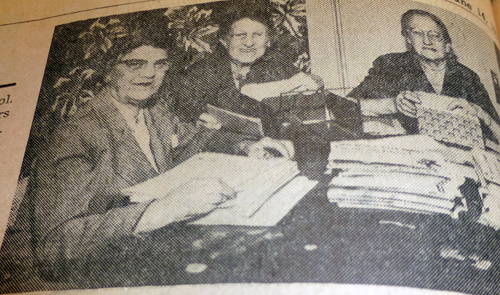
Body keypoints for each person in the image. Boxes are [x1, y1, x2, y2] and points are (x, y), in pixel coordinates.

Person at [28, 28, 268, 279]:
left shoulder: (153, 111)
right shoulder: (73, 137)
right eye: (135, 64)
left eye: (160, 64)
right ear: (109, 70)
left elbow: (193, 141)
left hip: (162, 250)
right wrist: (166, 208)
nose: (150, 74)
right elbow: (54, 248)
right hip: (106, 274)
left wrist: (244, 146)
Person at [348, 9, 500, 143]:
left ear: (447, 44)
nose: (427, 41)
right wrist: (393, 104)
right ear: (408, 39)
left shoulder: (468, 77)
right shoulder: (390, 65)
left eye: (435, 35)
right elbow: (347, 107)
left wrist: (479, 112)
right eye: (418, 33)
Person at [173, 8, 322, 140]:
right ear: (224, 41)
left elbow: (313, 84)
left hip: (273, 148)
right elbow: (182, 110)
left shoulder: (278, 67)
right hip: (222, 149)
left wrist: (308, 83)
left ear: (268, 41)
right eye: (240, 35)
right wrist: (198, 119)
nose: (249, 43)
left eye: (257, 34)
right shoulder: (203, 71)